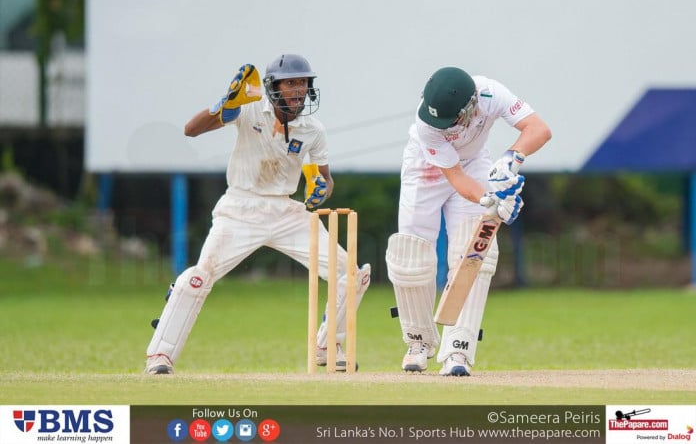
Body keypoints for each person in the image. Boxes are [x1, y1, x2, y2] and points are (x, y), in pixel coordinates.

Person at [145, 54, 371, 374]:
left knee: (352, 273)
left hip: (286, 210)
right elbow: (190, 130)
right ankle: (160, 356)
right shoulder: (248, 108)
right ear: (273, 86)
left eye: (303, 83)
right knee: (199, 276)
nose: (298, 90)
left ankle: (326, 346)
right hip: (241, 208)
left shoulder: (312, 129)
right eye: (290, 83)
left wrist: (321, 186)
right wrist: (224, 104)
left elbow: (324, 177)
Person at [386, 66, 551, 376]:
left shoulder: (490, 92)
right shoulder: (427, 126)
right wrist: (490, 199)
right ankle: (418, 341)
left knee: (476, 250)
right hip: (427, 168)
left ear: (470, 106)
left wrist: (509, 160)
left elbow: (538, 129)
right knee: (409, 254)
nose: (445, 127)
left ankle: (458, 349)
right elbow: (455, 178)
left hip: (475, 163)